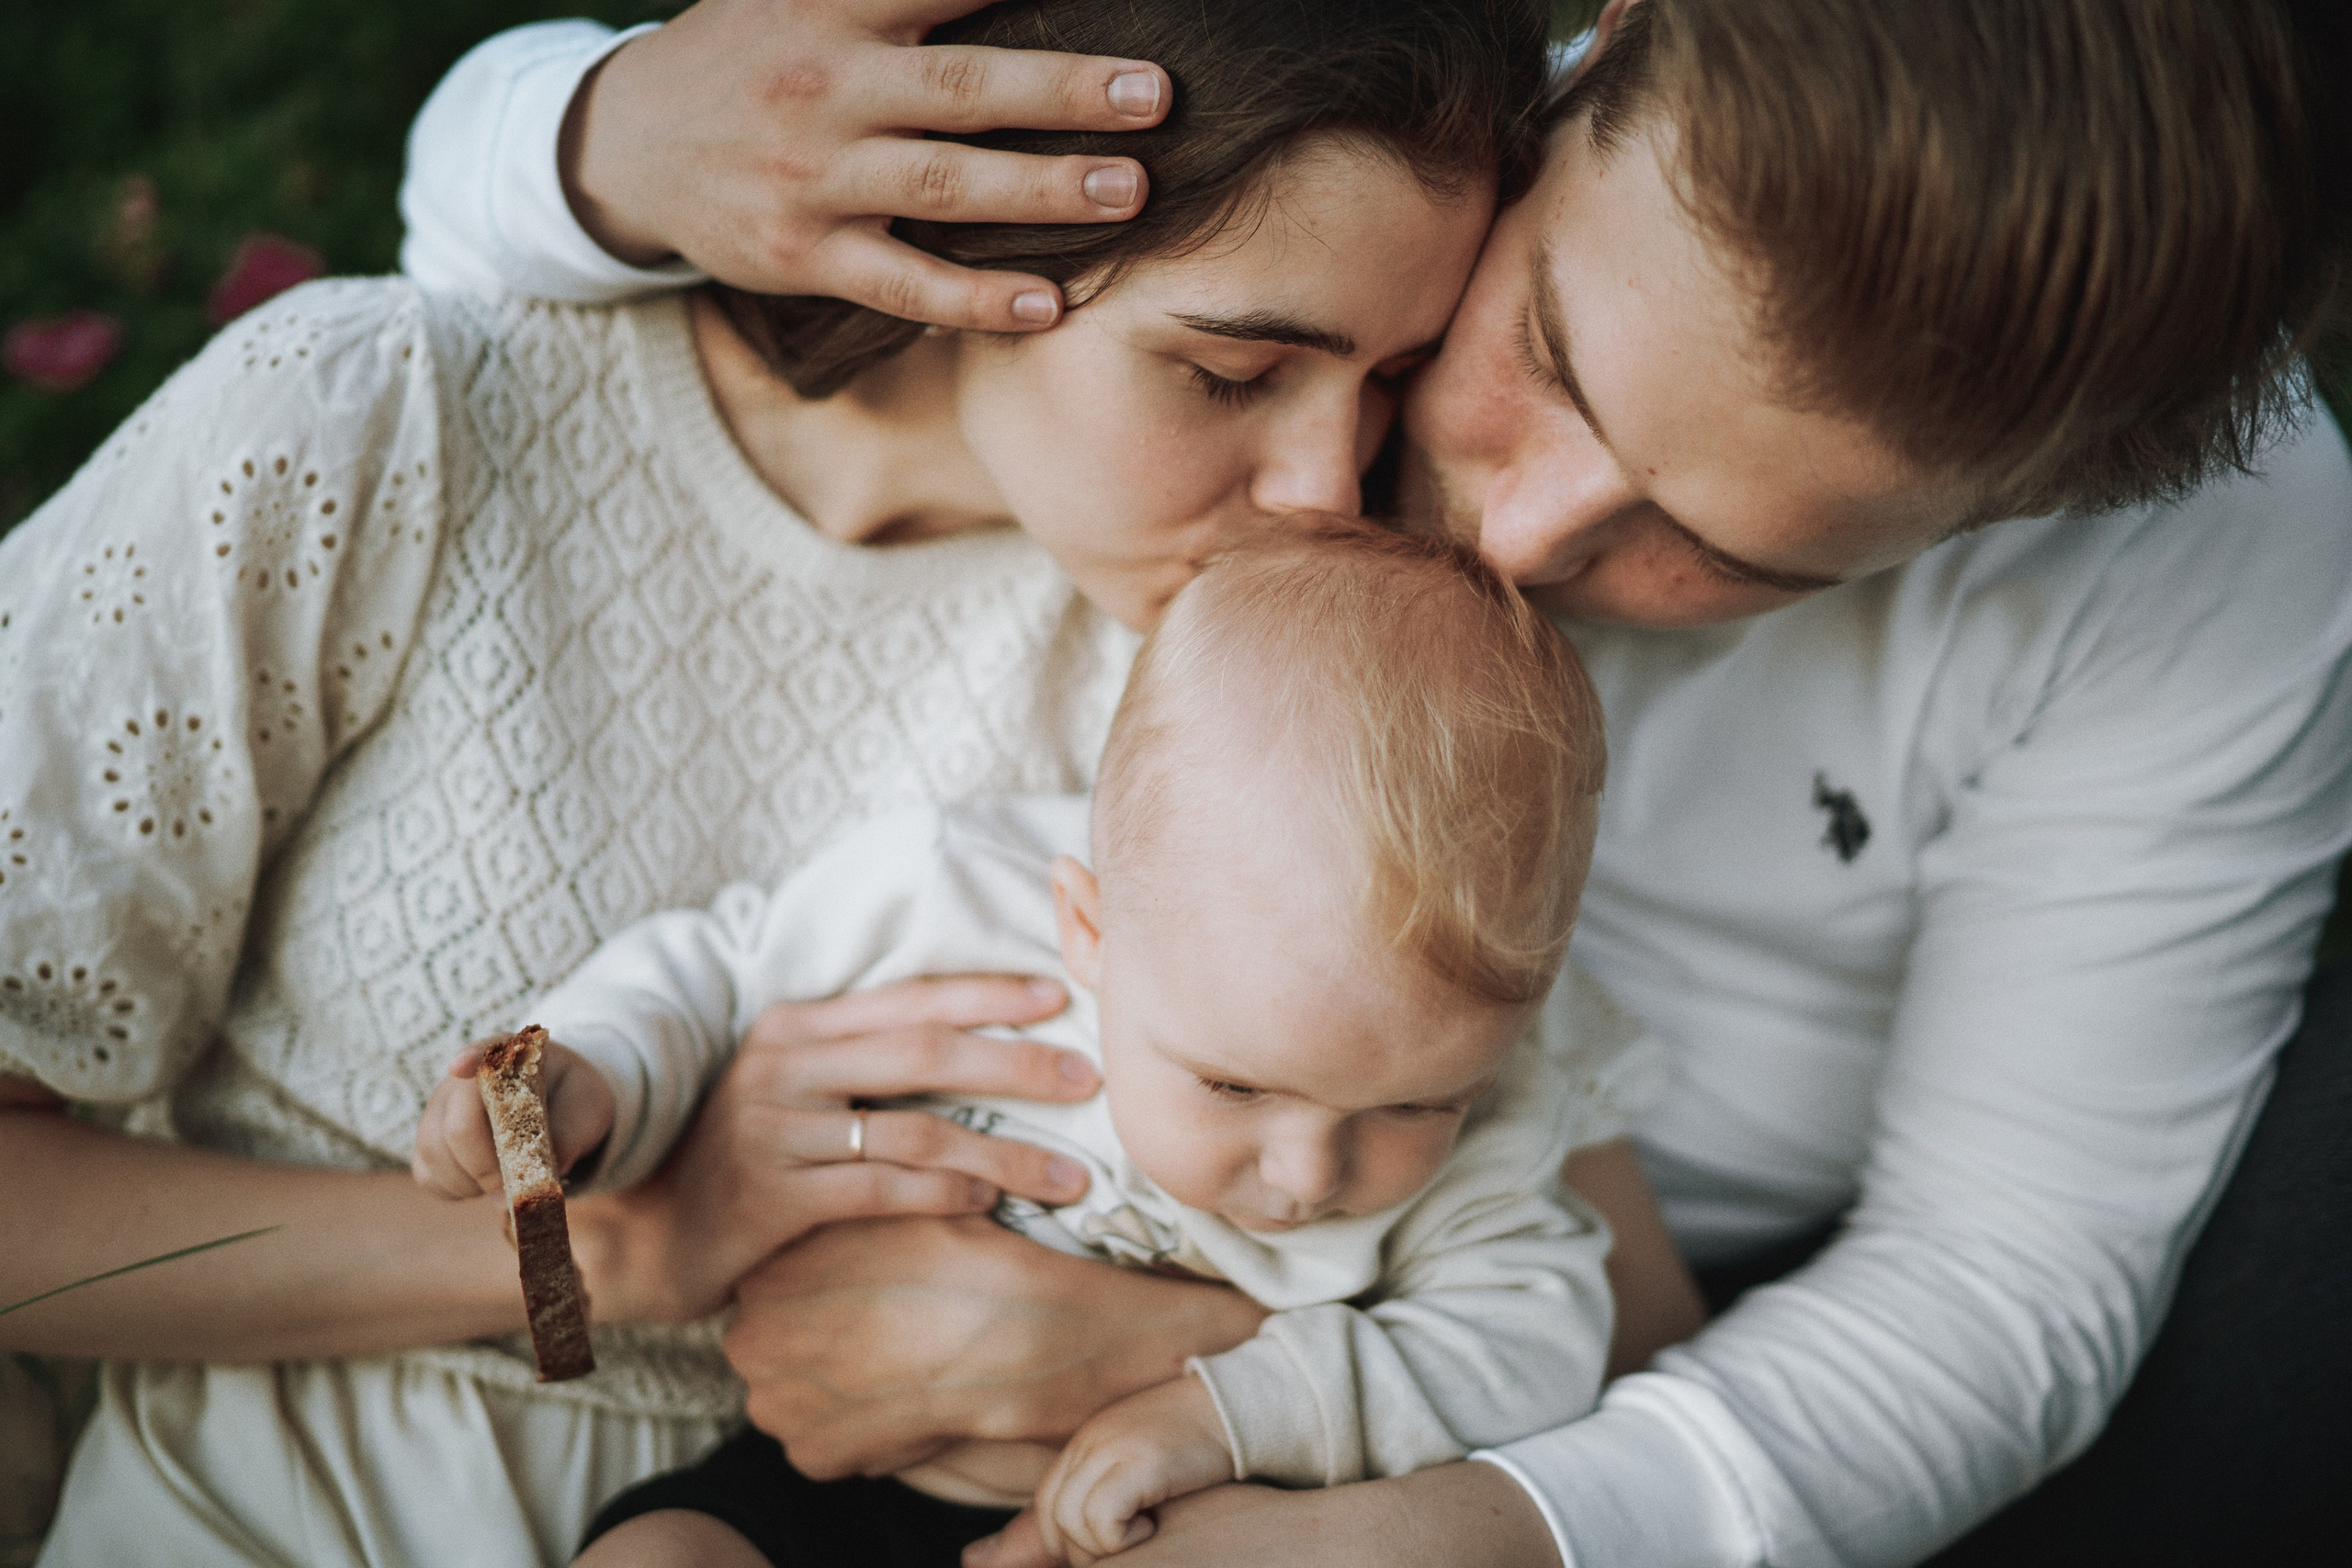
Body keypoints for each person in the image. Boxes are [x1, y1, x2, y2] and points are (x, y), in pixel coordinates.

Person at [391, 1, 2352, 1564]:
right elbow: (483, 275)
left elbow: (1999, 1285)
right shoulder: (1396, 121)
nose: (1517, 528)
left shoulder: (2218, 565)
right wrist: (610, 132)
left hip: (1573, 1343)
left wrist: (1408, 1493)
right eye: (1554, 353)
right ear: (1595, 50)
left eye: (1727, 550)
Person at [0, 4, 1588, 1564]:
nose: (1324, 487)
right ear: (967, 226)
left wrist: (1148, 1359)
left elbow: (1556, 1265)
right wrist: (619, 1250)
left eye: (1388, 379)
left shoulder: (1275, 696)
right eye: (1236, 370)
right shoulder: (379, 424)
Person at [416, 523, 1652, 1567]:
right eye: (1232, 1083)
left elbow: (1532, 1341)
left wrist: (1226, 1418)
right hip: (835, 1477)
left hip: (1186, 1521)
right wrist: (594, 1076)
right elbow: (720, 970)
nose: (1309, 1173)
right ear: (1088, 928)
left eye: (1410, 1110)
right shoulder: (951, 897)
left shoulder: (1499, 1108)